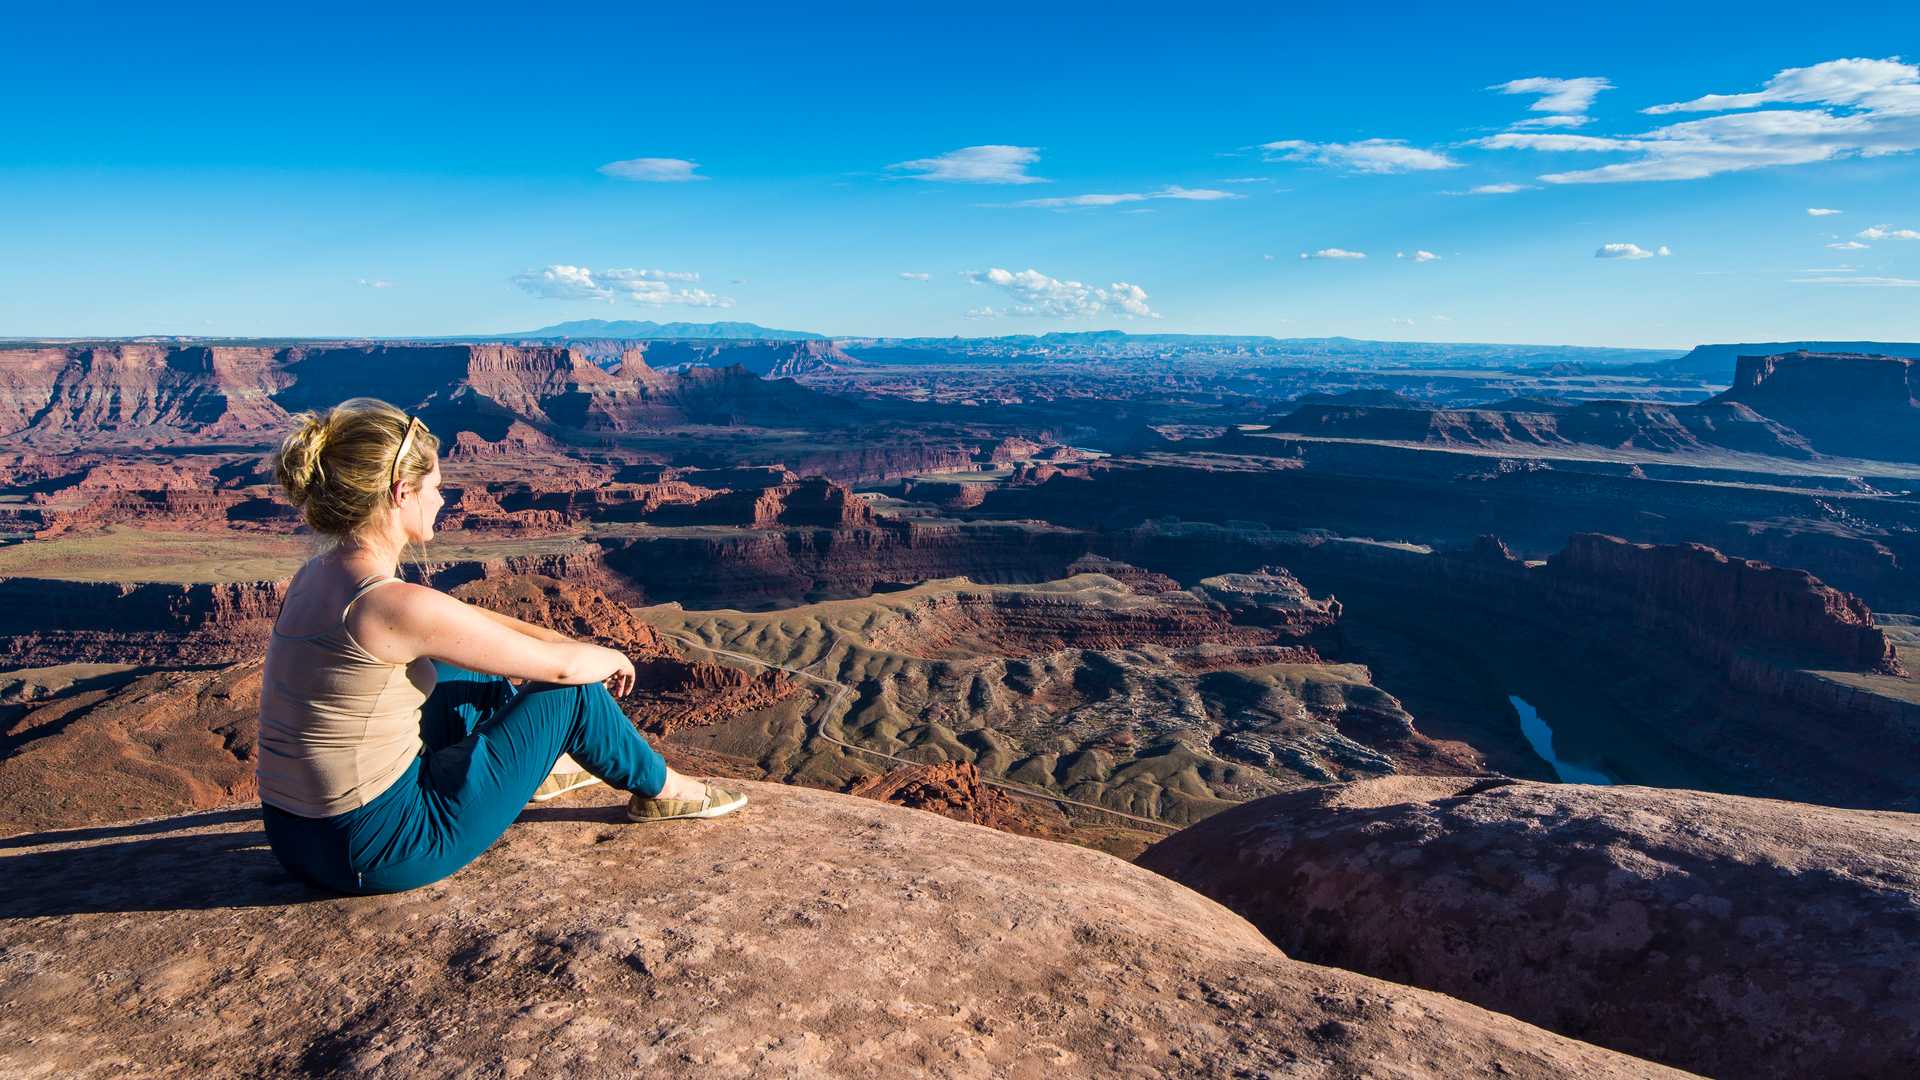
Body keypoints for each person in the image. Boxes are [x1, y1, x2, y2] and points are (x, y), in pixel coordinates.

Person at [256, 398, 745, 894]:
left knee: (467, 672)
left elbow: (462, 622)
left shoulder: (320, 574)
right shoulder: (388, 605)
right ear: (402, 493)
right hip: (379, 849)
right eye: (437, 487)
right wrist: (609, 657)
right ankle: (666, 790)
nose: (443, 501)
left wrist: (555, 636)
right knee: (570, 693)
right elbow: (560, 671)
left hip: (296, 839)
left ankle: (541, 769)